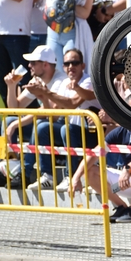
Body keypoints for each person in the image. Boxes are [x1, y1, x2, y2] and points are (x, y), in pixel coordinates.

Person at [0, 45, 67, 189]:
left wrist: (16, 124)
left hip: (59, 128)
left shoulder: (61, 80)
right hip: (45, 124)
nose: (29, 66)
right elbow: (14, 109)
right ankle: (7, 169)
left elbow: (50, 112)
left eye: (33, 63)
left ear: (45, 65)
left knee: (37, 124)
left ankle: (25, 173)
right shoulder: (37, 79)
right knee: (8, 120)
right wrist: (11, 86)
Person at [28, 47, 100, 191]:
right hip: (70, 133)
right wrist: (44, 97)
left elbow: (72, 104)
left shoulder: (88, 80)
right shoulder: (64, 83)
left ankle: (70, 176)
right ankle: (47, 175)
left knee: (67, 129)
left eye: (75, 63)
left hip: (92, 135)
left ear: (83, 66)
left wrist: (46, 92)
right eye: (67, 64)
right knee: (42, 127)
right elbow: (53, 116)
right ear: (63, 67)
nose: (71, 67)